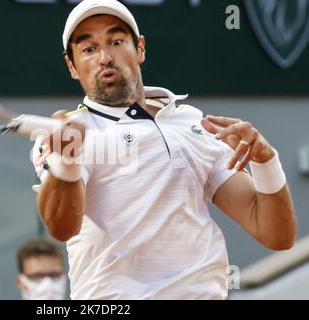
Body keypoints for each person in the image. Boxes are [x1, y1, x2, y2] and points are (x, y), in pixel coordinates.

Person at [31, 0, 297, 299]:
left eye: (116, 42)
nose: (105, 57)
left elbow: (276, 235)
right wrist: (66, 163)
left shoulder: (192, 122)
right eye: (89, 49)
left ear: (140, 48)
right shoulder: (66, 135)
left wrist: (265, 161)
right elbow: (62, 227)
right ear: (72, 66)